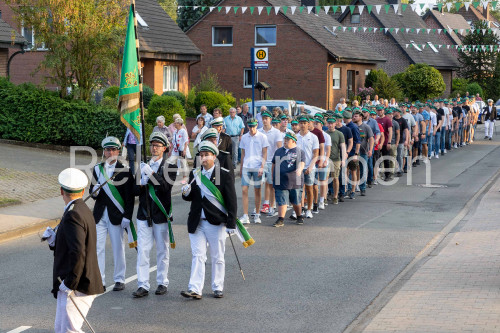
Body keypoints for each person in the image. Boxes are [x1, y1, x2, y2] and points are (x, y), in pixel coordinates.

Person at [48, 168, 103, 333]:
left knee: (69, 330)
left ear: (61, 191)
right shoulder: (81, 209)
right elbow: (73, 244)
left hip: (78, 285)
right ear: (83, 191)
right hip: (73, 282)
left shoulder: (74, 214)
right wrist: (53, 240)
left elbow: (78, 252)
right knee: (61, 329)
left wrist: (70, 282)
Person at [180, 141, 237, 299]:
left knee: (217, 256)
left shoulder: (223, 174)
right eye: (201, 155)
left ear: (214, 156)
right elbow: (191, 198)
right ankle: (195, 288)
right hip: (197, 221)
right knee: (198, 255)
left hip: (215, 221)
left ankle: (217, 286)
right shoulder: (195, 174)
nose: (203, 158)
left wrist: (231, 222)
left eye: (206, 155)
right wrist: (186, 192)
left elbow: (231, 200)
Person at [132, 132, 177, 298]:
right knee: (143, 251)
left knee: (162, 251)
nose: (154, 148)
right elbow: (134, 190)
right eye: (152, 145)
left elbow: (165, 187)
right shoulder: (143, 166)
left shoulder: (170, 166)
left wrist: (150, 174)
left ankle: (162, 282)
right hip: (144, 214)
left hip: (160, 214)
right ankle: (143, 284)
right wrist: (141, 183)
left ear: (164, 148)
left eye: (158, 145)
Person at [90, 136, 134, 292]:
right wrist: (95, 193)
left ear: (118, 151)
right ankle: (99, 280)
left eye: (113, 150)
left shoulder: (125, 170)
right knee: (97, 248)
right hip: (100, 215)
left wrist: (127, 216)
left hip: (117, 215)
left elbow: (129, 198)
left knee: (118, 248)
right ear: (104, 152)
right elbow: (92, 191)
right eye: (108, 150)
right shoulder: (97, 169)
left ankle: (119, 279)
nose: (110, 153)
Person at [239, 118, 269, 224]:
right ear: (247, 126)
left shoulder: (262, 137)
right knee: (244, 190)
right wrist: (241, 167)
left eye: (253, 126)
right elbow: (243, 153)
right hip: (247, 166)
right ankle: (245, 215)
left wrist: (262, 166)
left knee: (257, 190)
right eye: (250, 126)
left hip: (257, 166)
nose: (252, 128)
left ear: (256, 125)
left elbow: (265, 153)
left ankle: (257, 214)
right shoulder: (244, 138)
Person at [272, 132, 305, 227]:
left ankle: (299, 216)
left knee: (296, 201)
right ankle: (280, 219)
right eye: (284, 139)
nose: (285, 141)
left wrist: (299, 169)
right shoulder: (278, 151)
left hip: (295, 180)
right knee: (281, 199)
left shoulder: (299, 151)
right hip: (280, 179)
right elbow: (274, 164)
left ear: (293, 141)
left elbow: (302, 163)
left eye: (287, 140)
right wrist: (273, 176)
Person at [259, 110, 283, 217]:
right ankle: (265, 204)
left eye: (266, 118)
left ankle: (271, 206)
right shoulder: (259, 131)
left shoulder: (277, 132)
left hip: (272, 162)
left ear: (270, 119)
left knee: (271, 185)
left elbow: (279, 147)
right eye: (263, 118)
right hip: (261, 162)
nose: (264, 120)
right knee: (260, 184)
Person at [295, 115, 319, 219]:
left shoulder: (313, 137)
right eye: (301, 123)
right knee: (298, 189)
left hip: (310, 167)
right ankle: (299, 209)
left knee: (309, 189)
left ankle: (309, 209)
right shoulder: (295, 137)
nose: (303, 125)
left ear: (308, 124)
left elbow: (316, 154)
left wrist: (310, 166)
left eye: (305, 123)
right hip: (298, 167)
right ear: (299, 124)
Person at [353, 110, 373, 196]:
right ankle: (352, 188)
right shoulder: (352, 127)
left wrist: (370, 149)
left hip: (363, 152)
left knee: (363, 170)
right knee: (353, 170)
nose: (354, 117)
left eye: (356, 116)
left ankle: (362, 188)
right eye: (353, 116)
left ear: (361, 117)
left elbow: (371, 138)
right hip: (353, 152)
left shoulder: (366, 127)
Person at [326, 115, 346, 204]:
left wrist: (343, 159)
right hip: (326, 159)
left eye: (332, 123)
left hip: (336, 159)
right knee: (325, 178)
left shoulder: (339, 134)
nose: (330, 125)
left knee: (335, 178)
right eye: (329, 123)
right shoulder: (325, 133)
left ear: (335, 123)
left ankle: (335, 196)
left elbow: (342, 147)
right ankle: (325, 196)